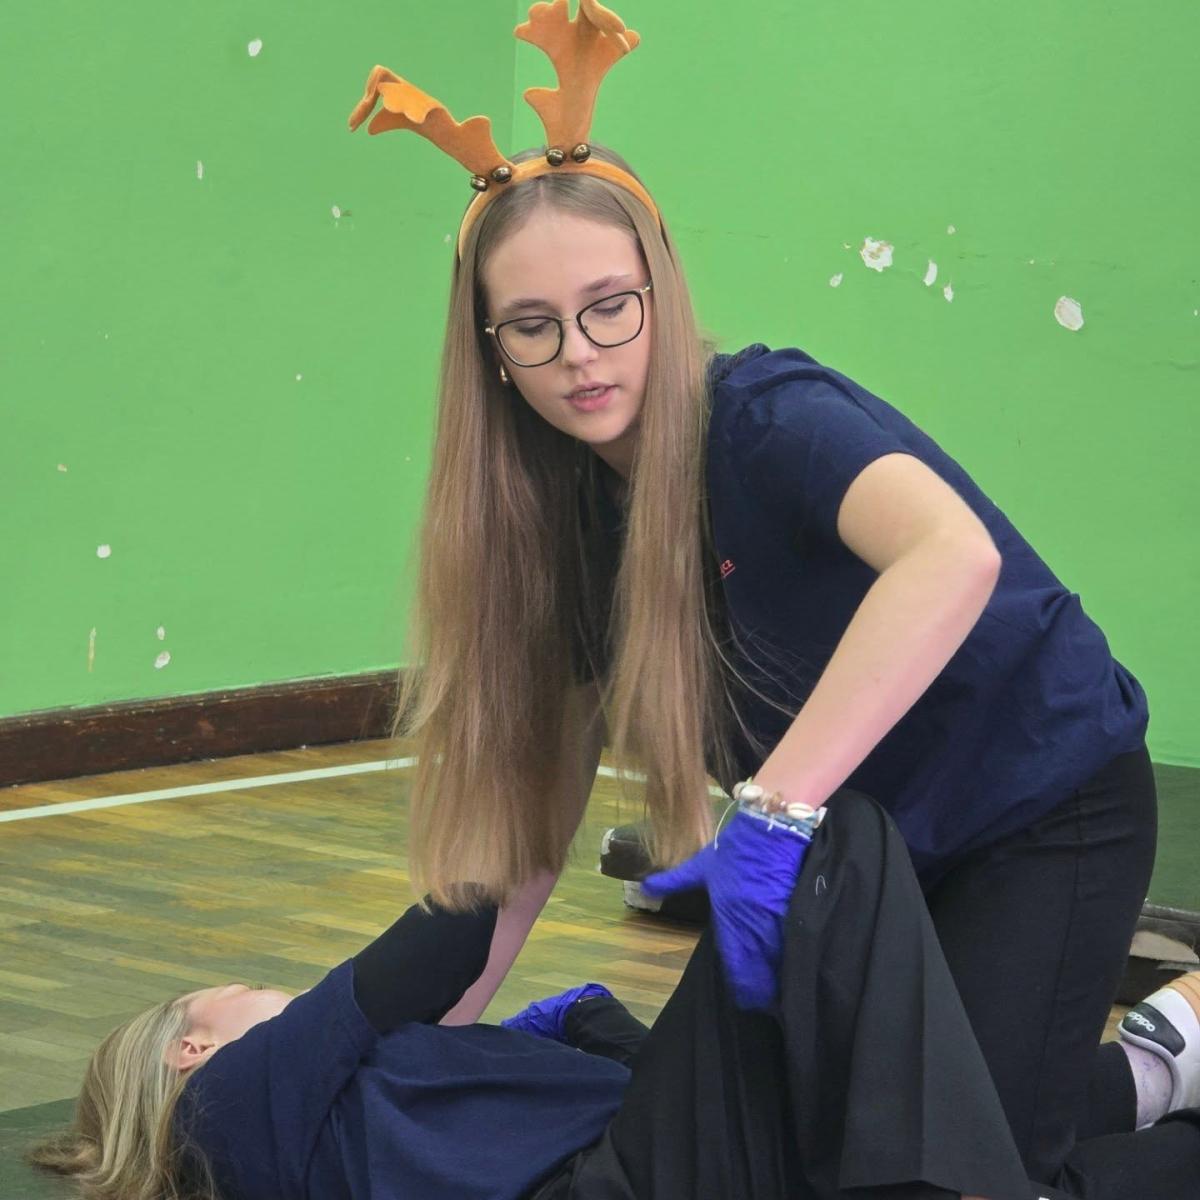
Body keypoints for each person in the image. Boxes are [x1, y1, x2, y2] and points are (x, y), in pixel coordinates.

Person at [343, 3, 1200, 1195]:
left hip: (1041, 810)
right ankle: (1163, 1062)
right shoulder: (561, 538)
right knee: (829, 1161)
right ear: (490, 349)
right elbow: (523, 863)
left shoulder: (768, 419)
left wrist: (774, 812)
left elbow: (950, 558)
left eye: (608, 305)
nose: (580, 353)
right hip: (877, 865)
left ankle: (1162, 1064)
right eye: (533, 328)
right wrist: (370, 1050)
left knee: (976, 1176)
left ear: (661, 288)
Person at [39, 788, 1200, 1200]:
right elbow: (437, 946)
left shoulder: (355, 1112)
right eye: (241, 988)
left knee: (941, 1149)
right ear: (189, 1048)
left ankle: (1153, 1071)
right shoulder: (227, 1111)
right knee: (822, 834)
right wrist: (540, 749)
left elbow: (498, 992)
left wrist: (583, 1021)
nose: (276, 992)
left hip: (650, 1166)